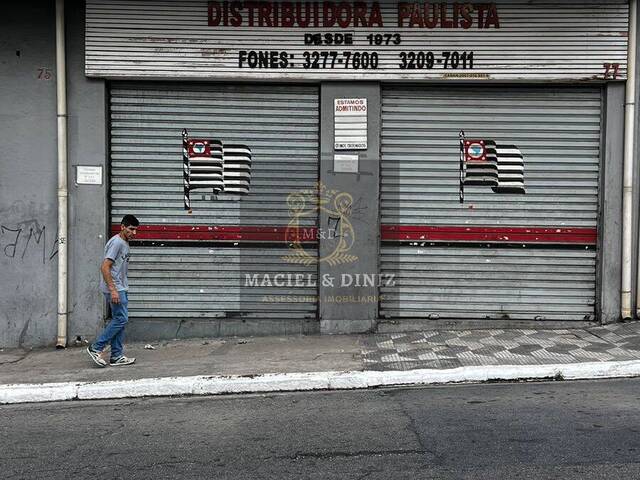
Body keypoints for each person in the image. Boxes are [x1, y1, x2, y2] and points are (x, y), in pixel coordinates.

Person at [87, 214, 139, 367]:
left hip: (120, 286)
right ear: (122, 227)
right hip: (115, 288)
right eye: (131, 229)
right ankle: (96, 347)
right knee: (121, 319)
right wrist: (113, 290)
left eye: (136, 230)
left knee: (120, 320)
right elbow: (105, 267)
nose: (134, 233)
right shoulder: (117, 243)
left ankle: (116, 355)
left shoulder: (124, 242)